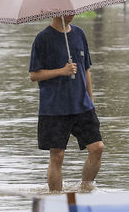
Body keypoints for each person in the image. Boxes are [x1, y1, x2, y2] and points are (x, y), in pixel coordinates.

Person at [29, 14, 104, 192]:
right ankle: (55, 198)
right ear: (56, 11)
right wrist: (61, 71)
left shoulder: (79, 34)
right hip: (54, 108)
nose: (72, 13)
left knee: (97, 148)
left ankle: (85, 188)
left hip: (82, 105)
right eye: (67, 9)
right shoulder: (42, 38)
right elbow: (34, 75)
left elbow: (86, 69)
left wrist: (90, 99)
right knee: (57, 156)